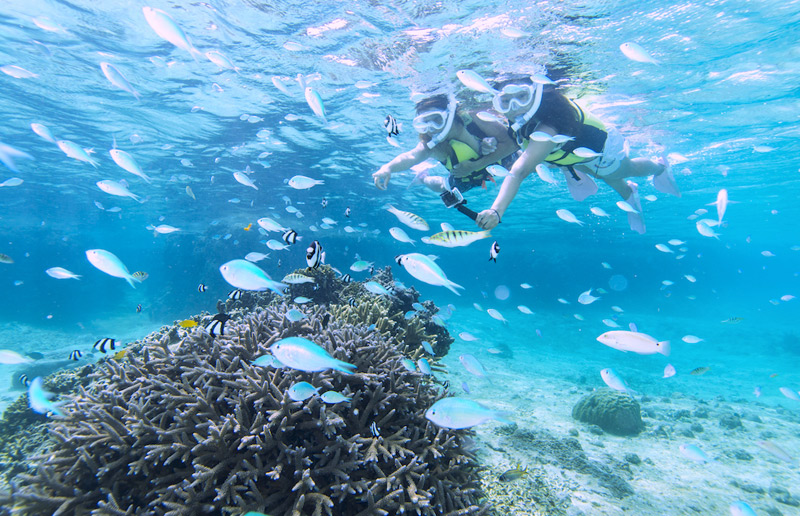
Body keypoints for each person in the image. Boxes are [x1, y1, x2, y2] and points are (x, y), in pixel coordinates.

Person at [473, 76, 680, 234]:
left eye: (522, 97)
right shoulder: (522, 121)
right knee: (592, 170)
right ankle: (627, 194)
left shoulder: (549, 127)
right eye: (505, 101)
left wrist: (496, 211)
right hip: (570, 155)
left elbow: (520, 171)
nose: (514, 107)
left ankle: (659, 167)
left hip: (601, 150)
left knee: (621, 172)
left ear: (536, 94)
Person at [372, 94, 518, 204]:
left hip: (502, 162)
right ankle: (423, 178)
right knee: (443, 186)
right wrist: (388, 168)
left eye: (437, 120)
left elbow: (513, 144)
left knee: (525, 160)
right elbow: (411, 157)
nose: (431, 128)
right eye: (425, 123)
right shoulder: (432, 145)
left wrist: (475, 165)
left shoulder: (475, 118)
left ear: (450, 115)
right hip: (465, 178)